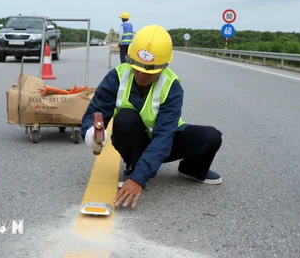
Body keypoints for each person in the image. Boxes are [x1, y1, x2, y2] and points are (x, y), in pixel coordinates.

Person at [81, 24, 223, 208]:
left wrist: (139, 180)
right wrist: (91, 133)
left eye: (149, 71)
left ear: (164, 66)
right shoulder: (117, 76)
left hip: (165, 141)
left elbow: (164, 136)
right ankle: (133, 164)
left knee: (211, 137)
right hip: (134, 141)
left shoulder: (171, 86)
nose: (141, 74)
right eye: (137, 67)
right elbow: (94, 111)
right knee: (124, 118)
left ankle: (191, 169)